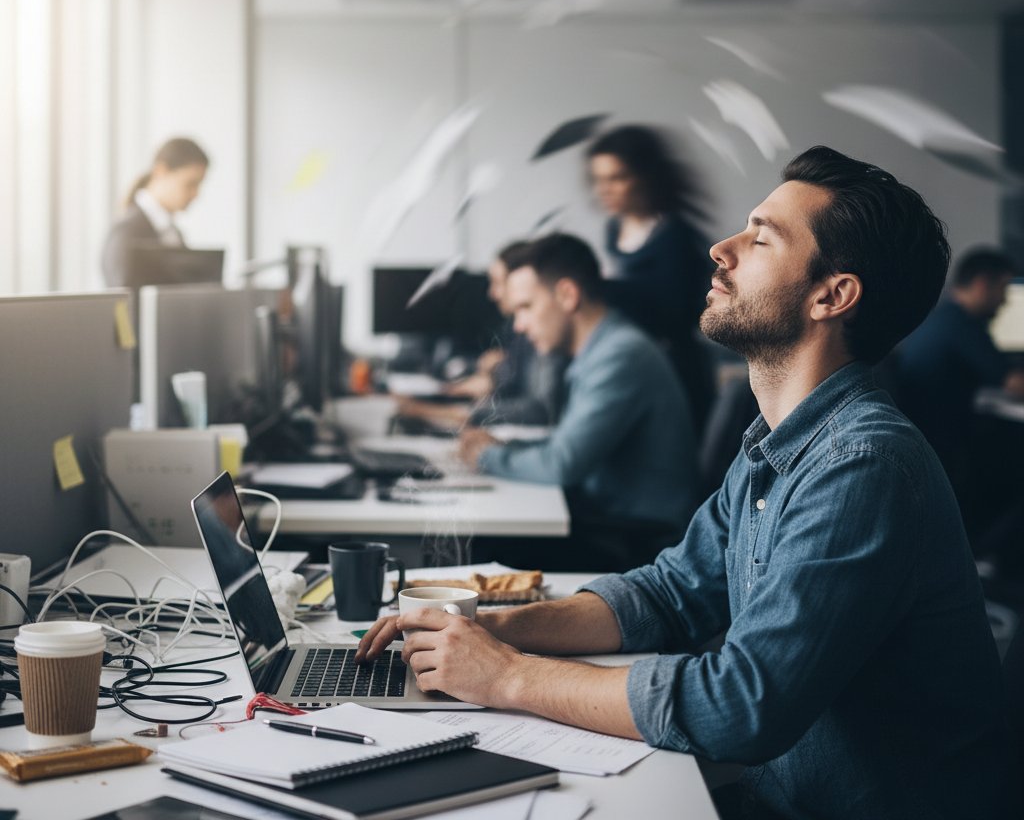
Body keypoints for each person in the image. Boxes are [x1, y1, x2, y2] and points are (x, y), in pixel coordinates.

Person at [358, 148, 1019, 820]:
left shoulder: (863, 466)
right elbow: (669, 595)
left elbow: (742, 705)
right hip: (775, 794)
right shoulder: (776, 445)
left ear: (832, 295)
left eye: (761, 238)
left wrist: (507, 676)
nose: (720, 249)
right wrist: (495, 630)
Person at [457, 233, 699, 571]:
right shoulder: (601, 349)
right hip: (610, 521)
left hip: (634, 541)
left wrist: (486, 455)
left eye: (526, 307)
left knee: (480, 547)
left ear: (568, 295)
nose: (520, 326)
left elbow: (563, 464)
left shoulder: (619, 355)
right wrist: (504, 447)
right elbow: (566, 443)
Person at [587, 125, 716, 437]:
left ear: (645, 178)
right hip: (630, 363)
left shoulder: (676, 237)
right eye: (598, 180)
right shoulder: (613, 230)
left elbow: (675, 315)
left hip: (674, 371)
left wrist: (598, 288)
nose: (604, 190)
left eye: (616, 178)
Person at [895, 246, 1024, 557]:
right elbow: (1015, 385)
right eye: (1004, 290)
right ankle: (987, 560)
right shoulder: (961, 324)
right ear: (982, 284)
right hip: (946, 451)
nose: (1006, 301)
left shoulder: (942, 318)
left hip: (929, 444)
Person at [394, 241, 565, 431]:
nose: (492, 294)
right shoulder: (518, 333)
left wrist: (452, 412)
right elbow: (507, 380)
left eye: (498, 283)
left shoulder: (548, 336)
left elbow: (539, 408)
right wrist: (490, 375)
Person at [101, 136, 209, 287]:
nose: (196, 194)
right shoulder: (126, 231)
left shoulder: (174, 233)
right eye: (190, 184)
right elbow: (122, 300)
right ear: (161, 171)